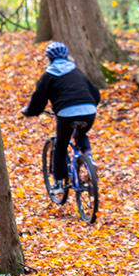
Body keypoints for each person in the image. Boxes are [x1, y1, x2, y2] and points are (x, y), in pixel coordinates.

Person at [22, 41, 101, 199]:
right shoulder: (77, 71)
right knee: (81, 134)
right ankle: (89, 158)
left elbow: (38, 101)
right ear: (66, 55)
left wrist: (30, 112)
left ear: (48, 59)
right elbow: (95, 94)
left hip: (66, 114)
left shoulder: (48, 75)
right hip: (89, 111)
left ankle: (58, 184)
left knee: (60, 145)